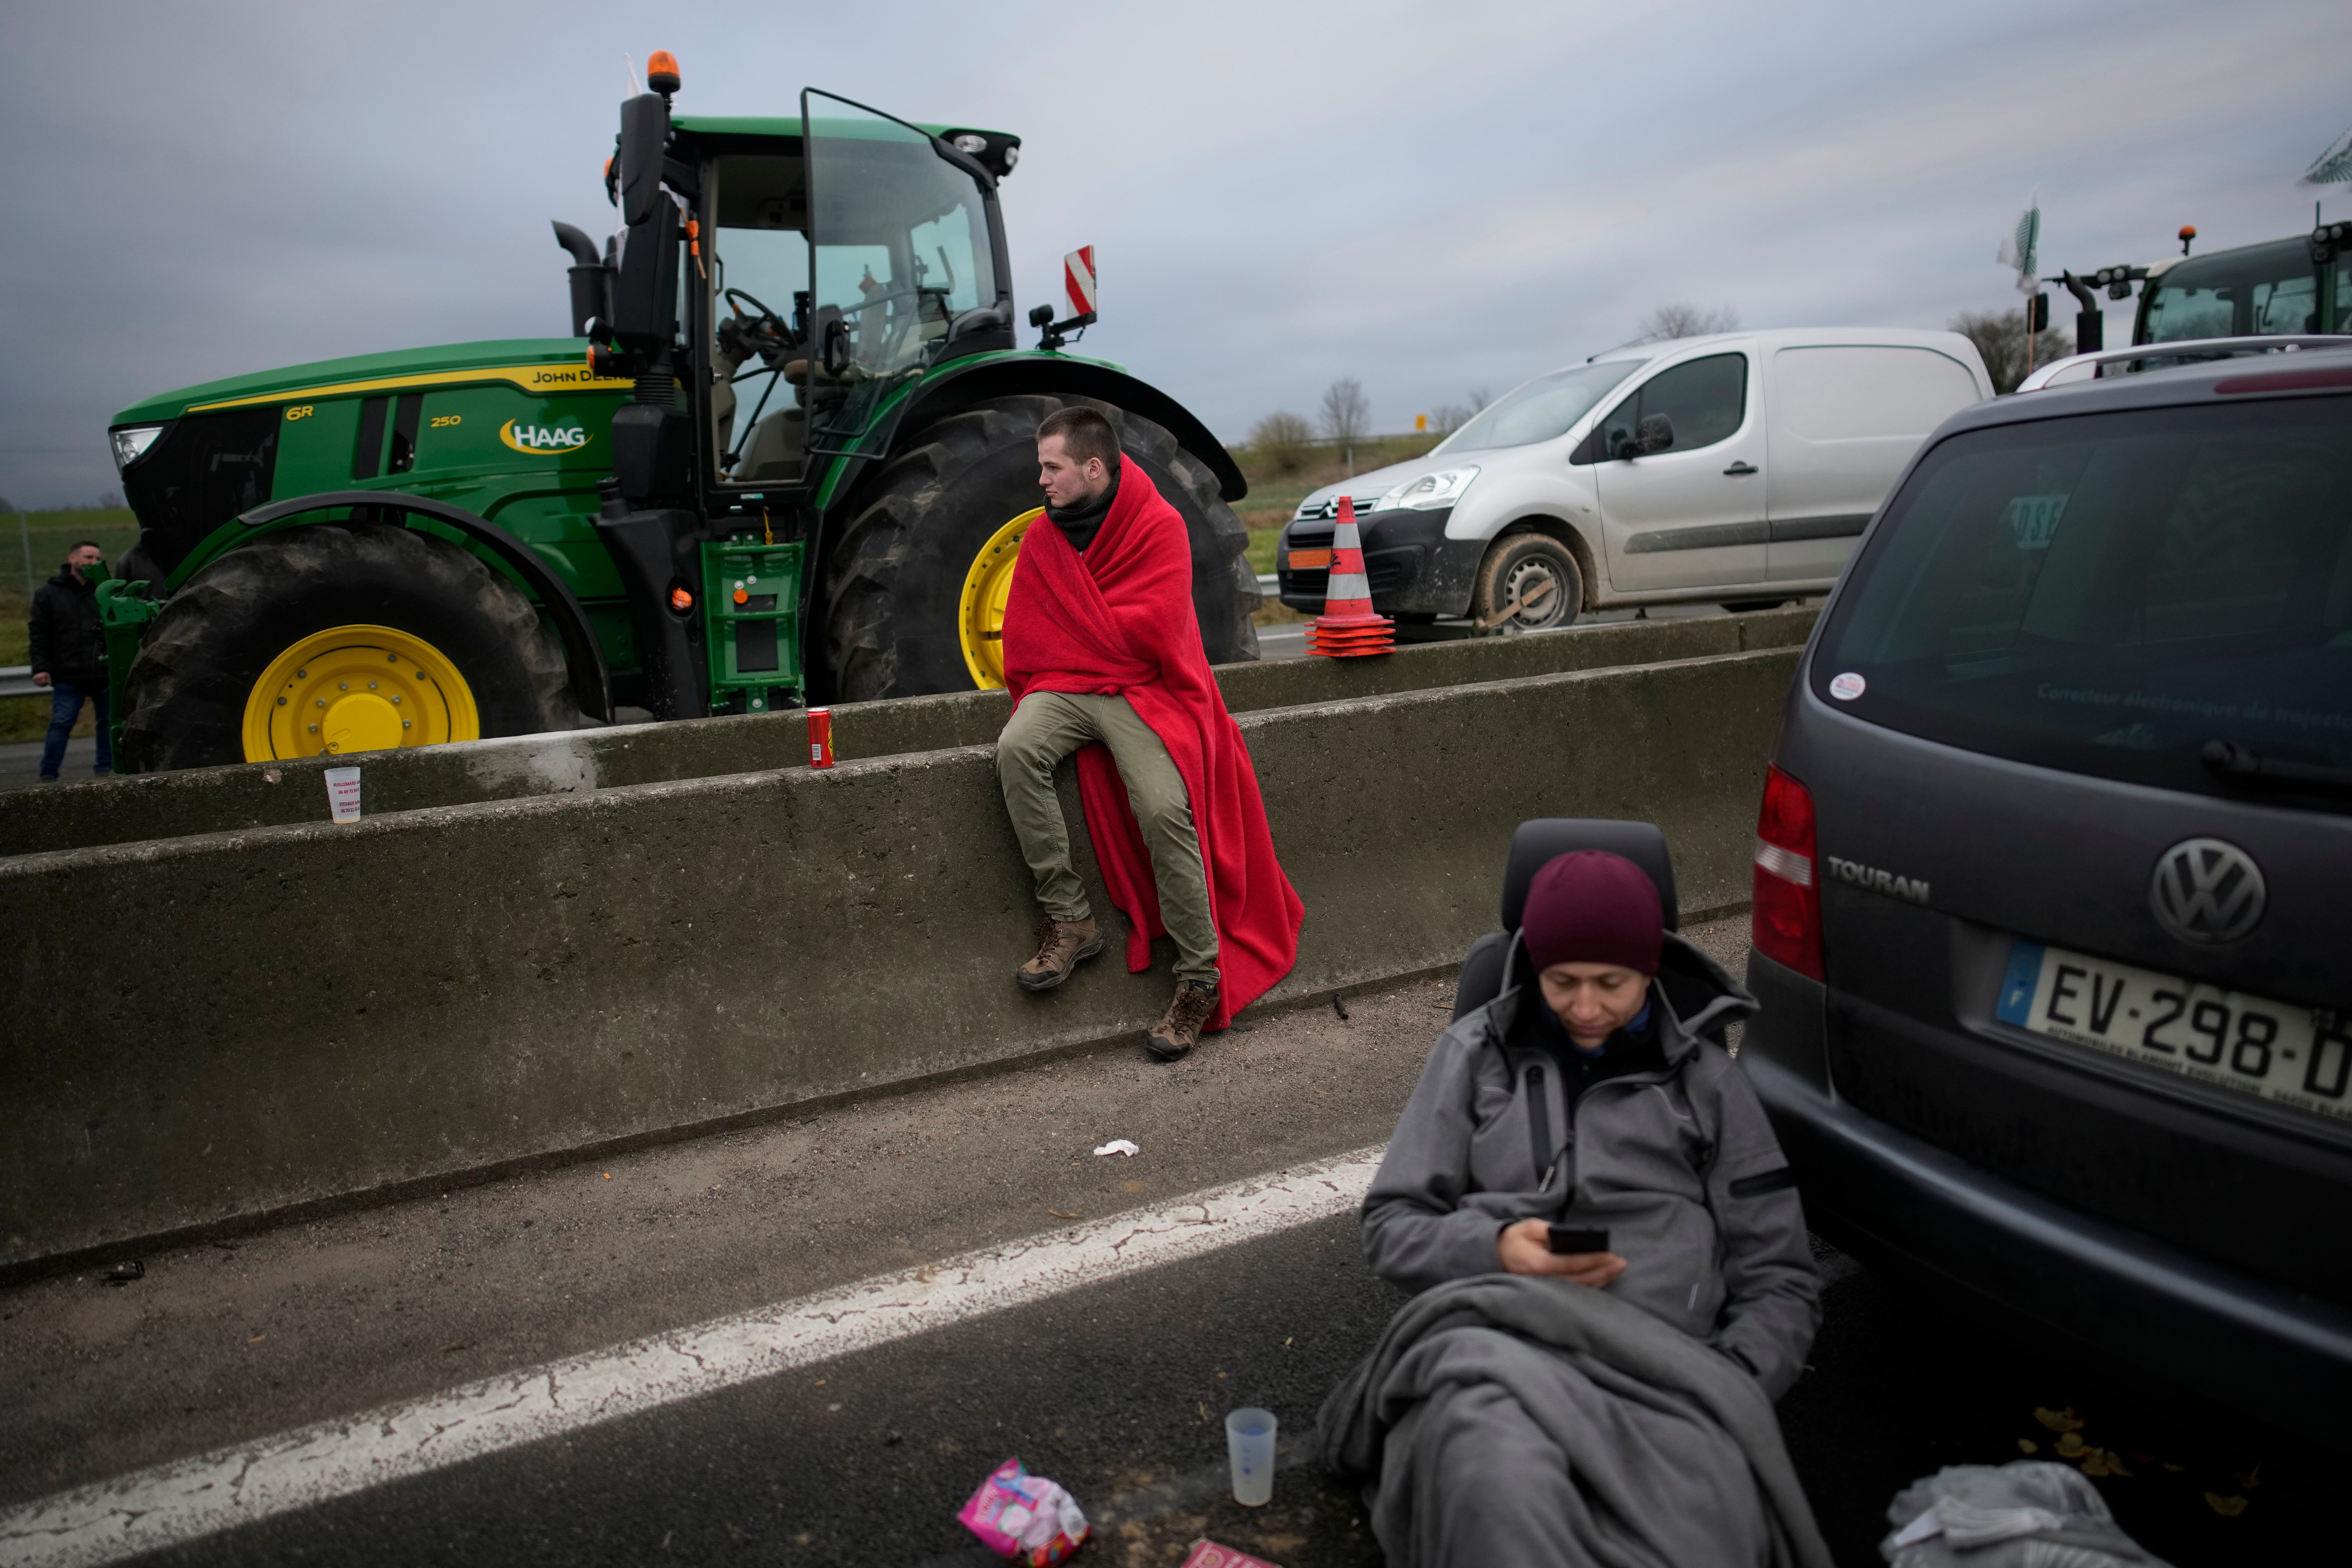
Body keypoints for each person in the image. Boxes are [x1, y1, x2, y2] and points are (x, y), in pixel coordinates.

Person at [1323, 848, 1828, 1567]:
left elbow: (1780, 1276)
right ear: (1534, 968)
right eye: (1561, 982)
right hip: (1503, 1346)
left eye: (1611, 983)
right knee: (1495, 1482)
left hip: (1669, 1371)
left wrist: (1734, 1377)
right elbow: (1390, 1225)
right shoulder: (1472, 1055)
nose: (1585, 1009)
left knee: (1701, 1537)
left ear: (1650, 970)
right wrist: (1495, 1247)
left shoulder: (1710, 1084)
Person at [995, 406, 1302, 1061]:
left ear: (1093, 467)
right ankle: (1071, 918)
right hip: (1066, 681)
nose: (1042, 480)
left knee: (1163, 808)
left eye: (1052, 467)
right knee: (1016, 749)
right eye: (1041, 467)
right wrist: (1079, 651)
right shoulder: (1045, 536)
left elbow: (1157, 628)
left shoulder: (1157, 524)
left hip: (1139, 689)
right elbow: (1028, 628)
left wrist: (1090, 641)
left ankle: (1199, 976)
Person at [29, 540, 113, 782]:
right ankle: (48, 775)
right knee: (62, 723)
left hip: (102, 671)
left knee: (107, 722)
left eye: (97, 559)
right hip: (67, 672)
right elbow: (39, 634)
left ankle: (104, 772)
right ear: (73, 559)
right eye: (88, 557)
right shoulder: (49, 594)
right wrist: (41, 668)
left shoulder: (104, 592)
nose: (93, 563)